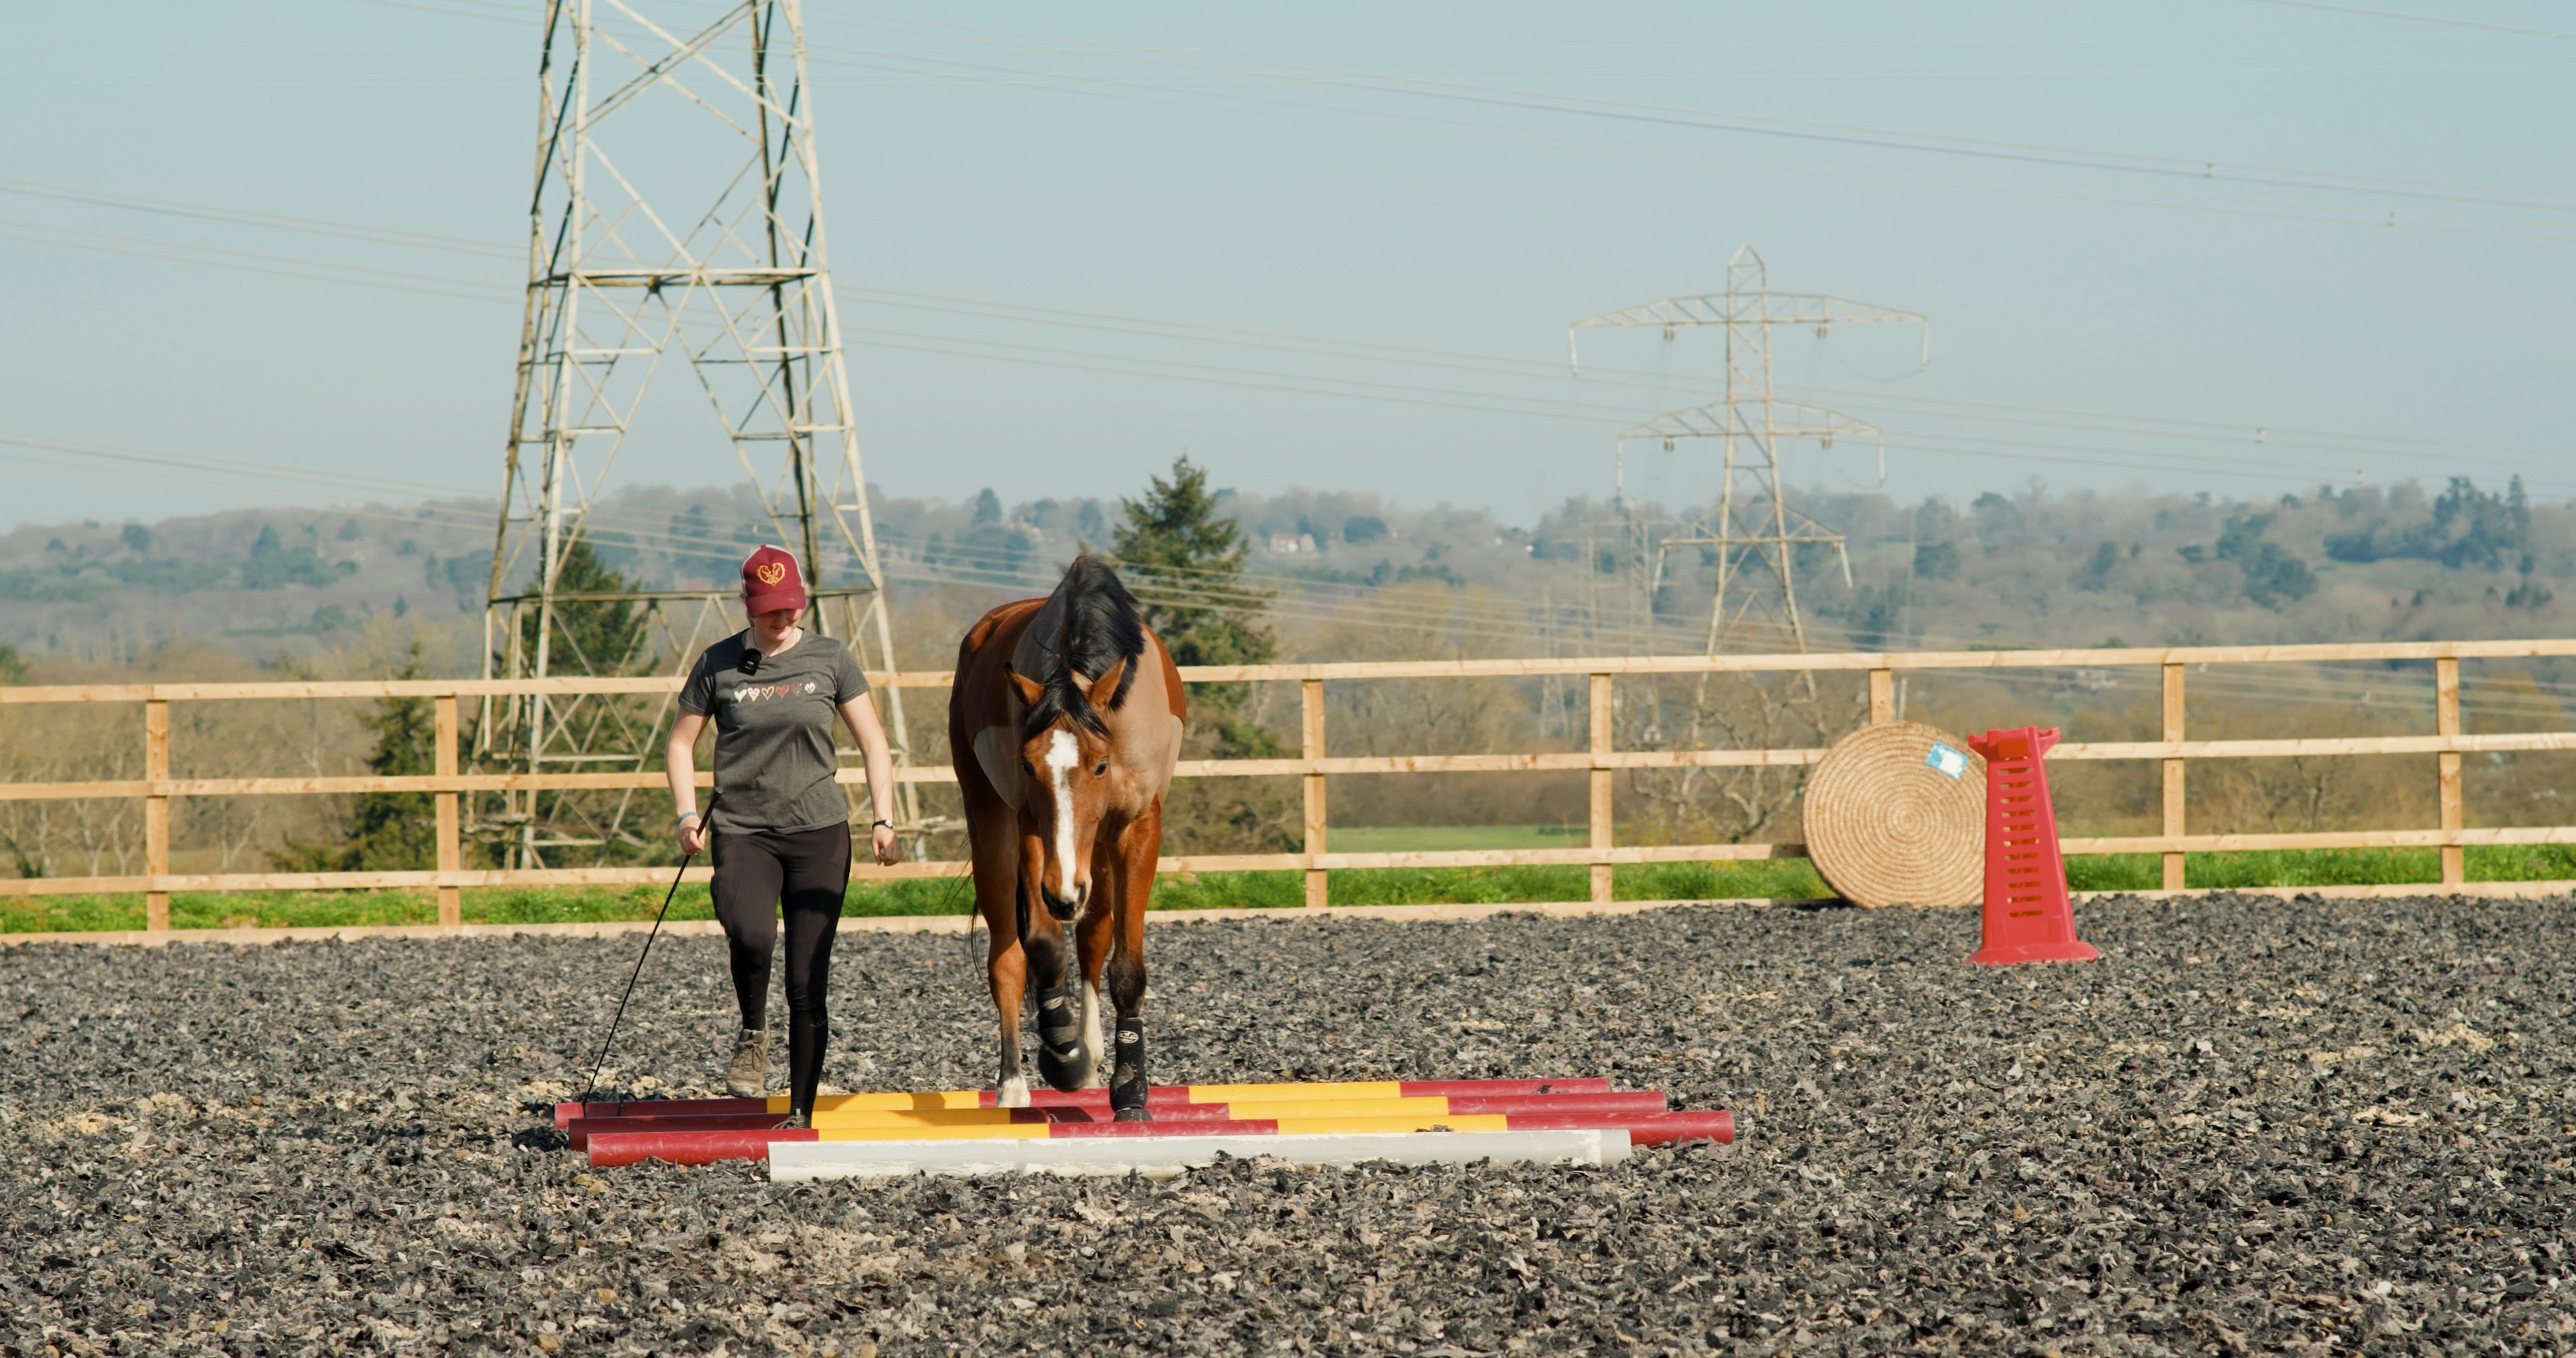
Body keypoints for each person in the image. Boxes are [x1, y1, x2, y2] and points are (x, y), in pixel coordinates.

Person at [666, 544, 901, 1127]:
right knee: (750, 936)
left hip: (819, 832)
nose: (784, 618)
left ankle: (800, 1110)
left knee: (806, 977)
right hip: (743, 829)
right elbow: (679, 744)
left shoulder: (831, 658)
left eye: (792, 607)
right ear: (749, 606)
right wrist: (686, 814)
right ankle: (753, 1029)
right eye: (772, 610)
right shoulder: (716, 664)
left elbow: (875, 743)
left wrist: (883, 819)